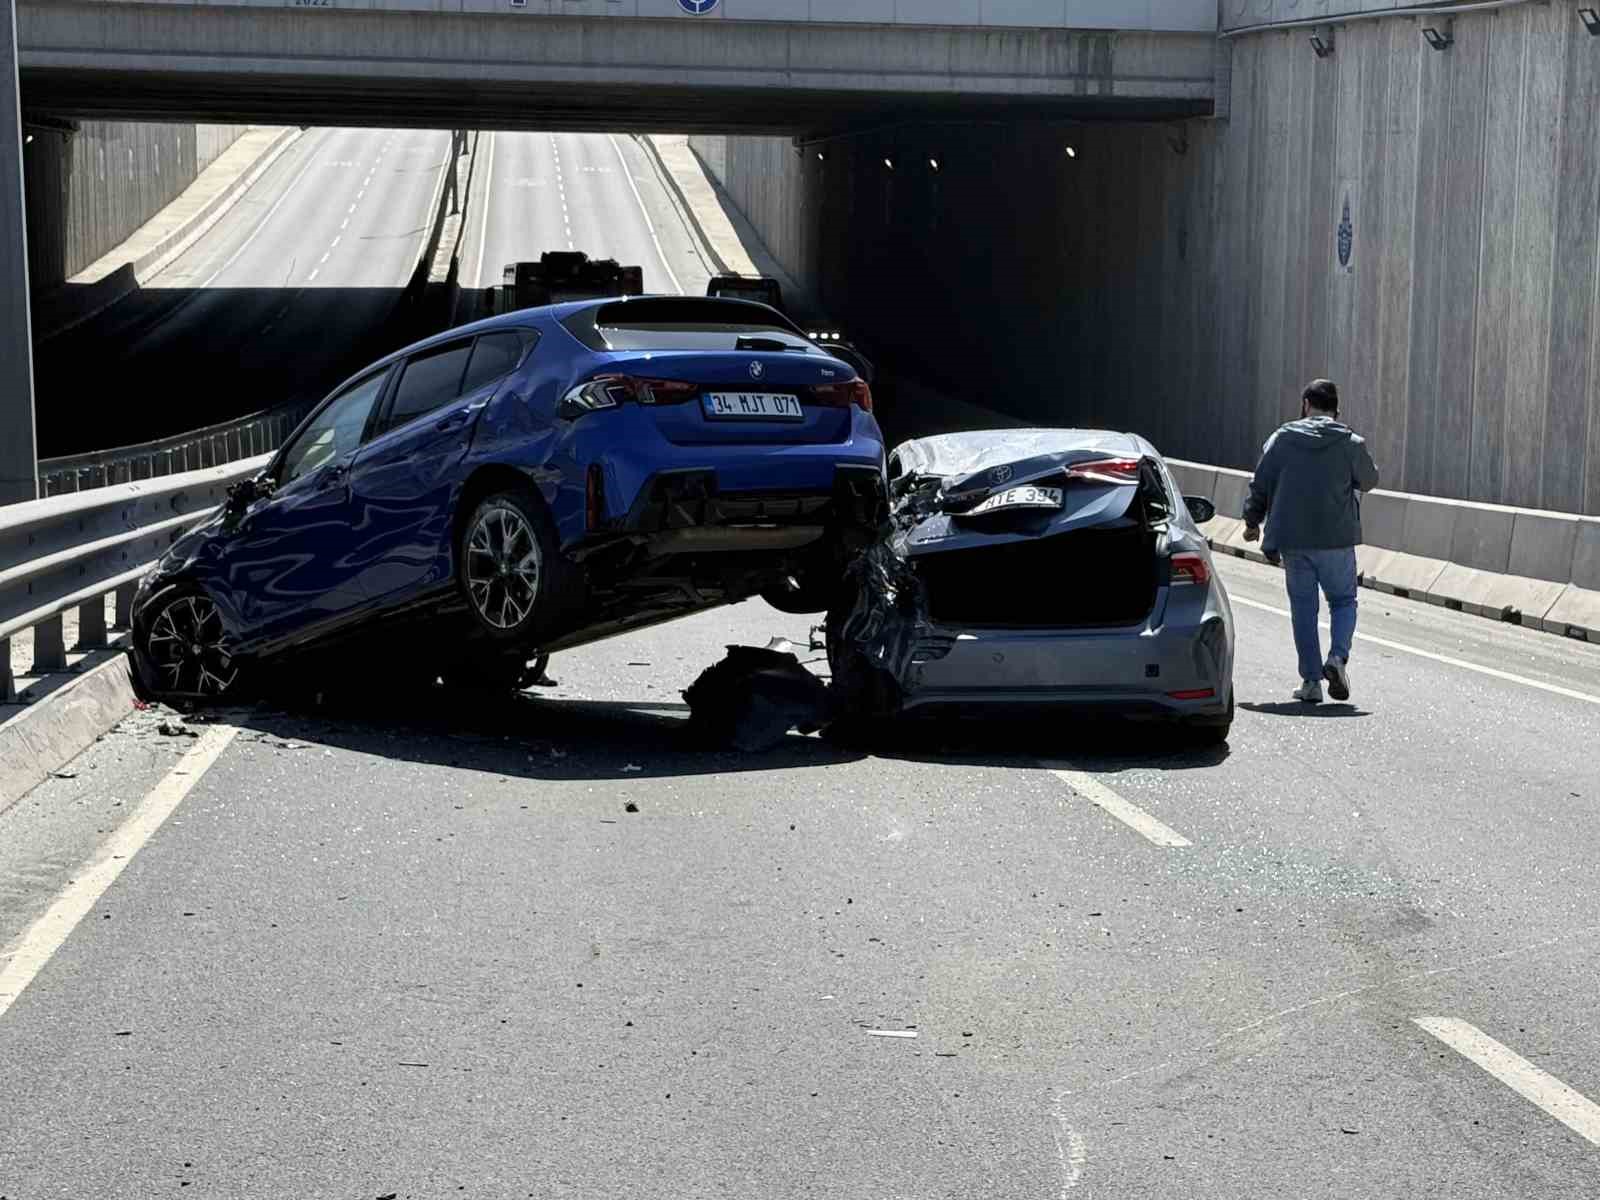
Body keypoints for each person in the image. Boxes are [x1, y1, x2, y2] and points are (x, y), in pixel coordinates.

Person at [1242, 379, 1380, 704]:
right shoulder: (1350, 442)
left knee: (1304, 610)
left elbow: (1261, 481)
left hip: (1294, 541)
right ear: (1336, 409)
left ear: (1306, 404)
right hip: (1337, 541)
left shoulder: (1282, 439)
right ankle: (1337, 658)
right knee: (1343, 601)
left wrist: (1252, 520)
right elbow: (1370, 480)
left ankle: (1311, 682)